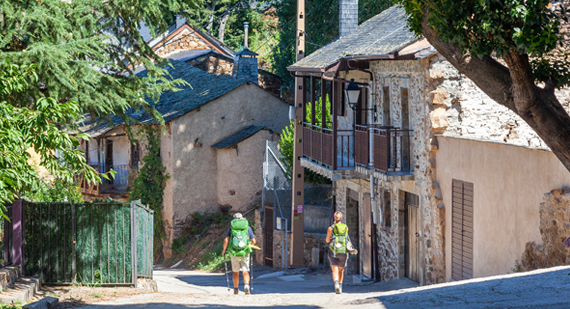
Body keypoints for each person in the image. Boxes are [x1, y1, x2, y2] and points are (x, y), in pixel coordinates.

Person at [222, 213, 256, 295]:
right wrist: (249, 247)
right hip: (245, 252)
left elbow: (226, 240)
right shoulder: (247, 228)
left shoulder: (232, 228)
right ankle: (246, 285)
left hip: (234, 253)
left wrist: (223, 251)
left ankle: (236, 289)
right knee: (245, 271)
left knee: (235, 272)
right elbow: (253, 241)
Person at [326, 211, 348, 294]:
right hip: (343, 250)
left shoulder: (330, 228)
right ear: (341, 218)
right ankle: (340, 285)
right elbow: (346, 238)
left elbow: (327, 240)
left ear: (334, 218)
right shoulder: (346, 227)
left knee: (334, 268)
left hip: (333, 251)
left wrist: (331, 239)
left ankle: (336, 284)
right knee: (341, 270)